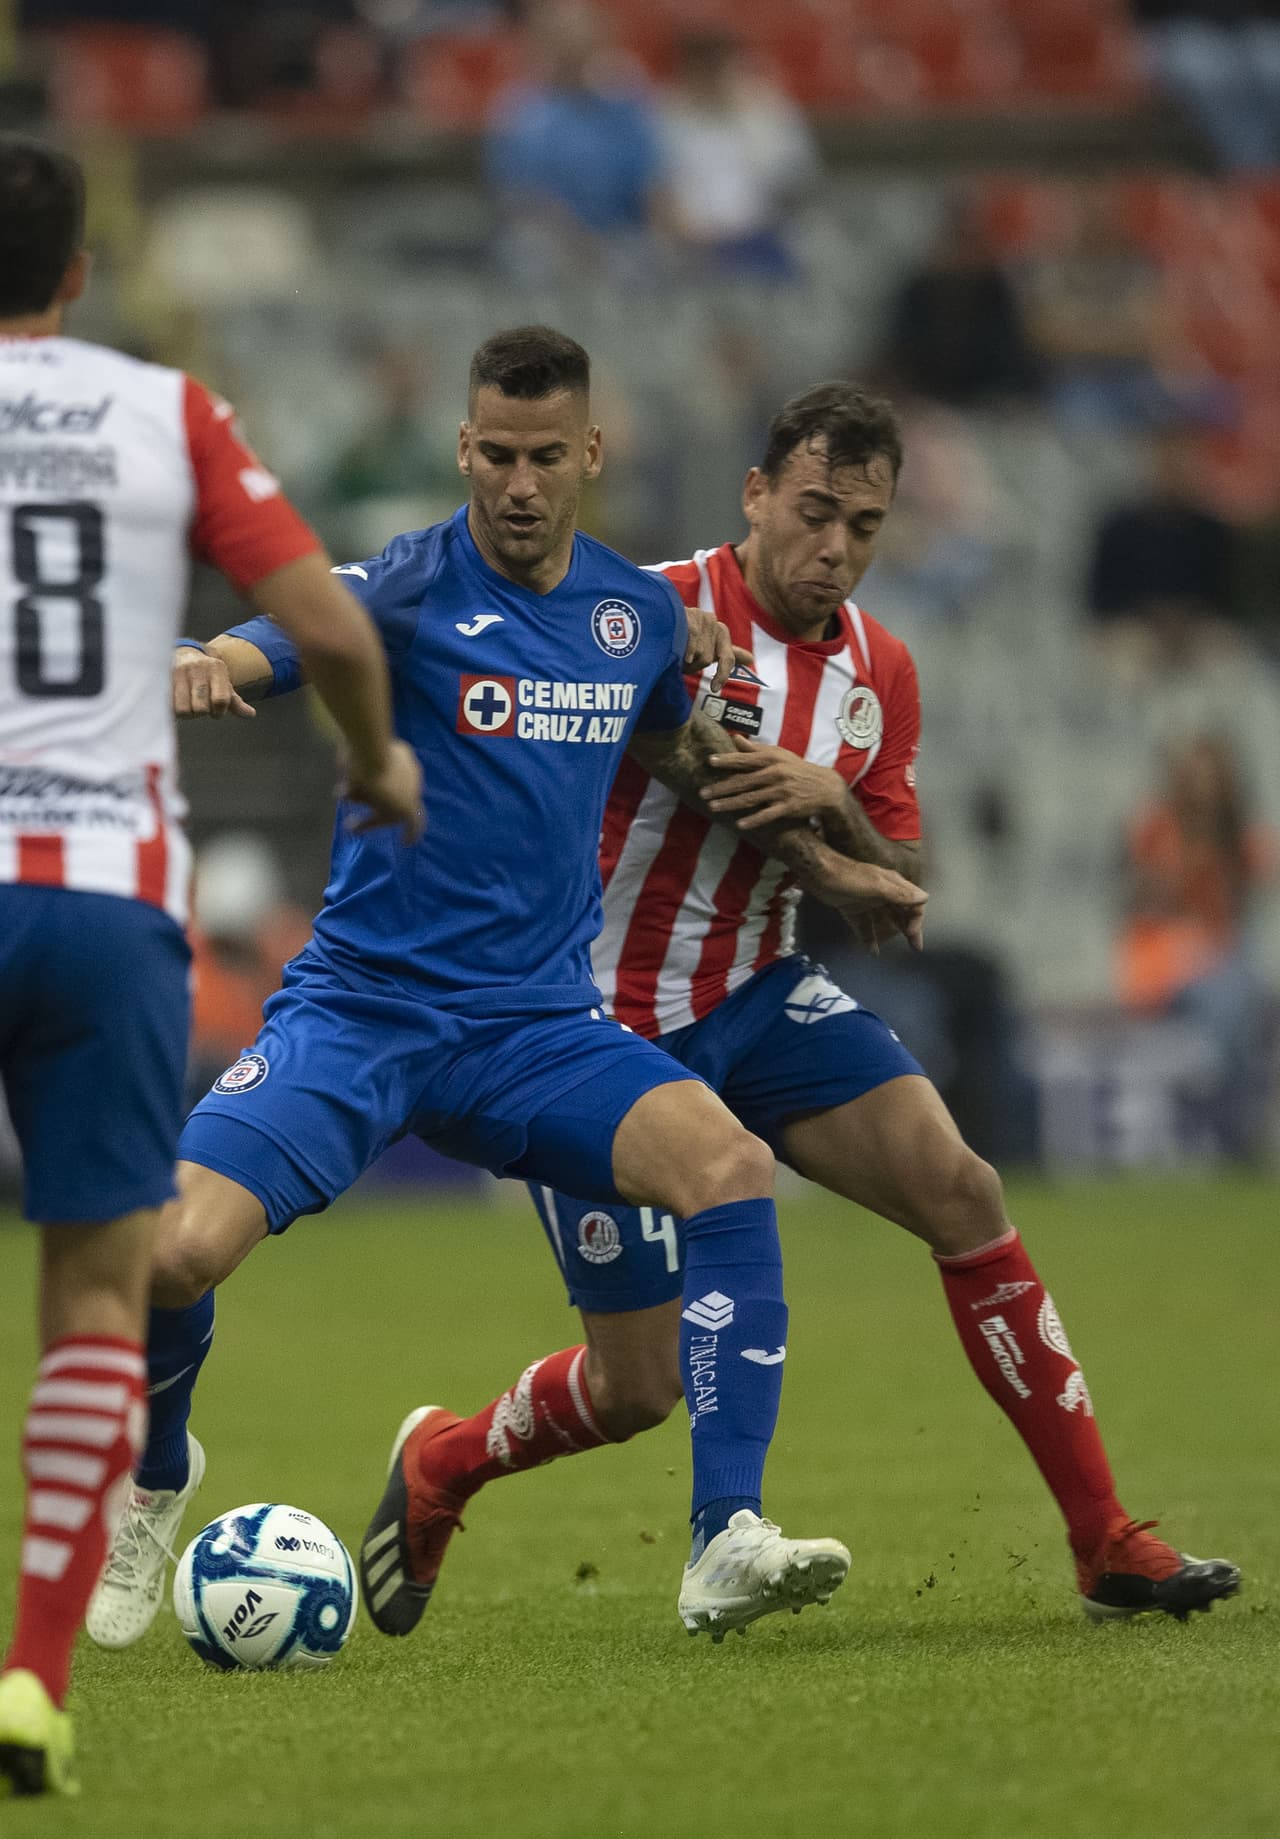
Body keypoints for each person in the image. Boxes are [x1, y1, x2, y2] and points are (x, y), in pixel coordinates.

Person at [87, 326, 928, 1657]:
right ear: (463, 450)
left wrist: (833, 864)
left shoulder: (632, 617)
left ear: (588, 453)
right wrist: (212, 662)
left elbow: (687, 757)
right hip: (363, 1013)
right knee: (172, 1252)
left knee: (728, 1167)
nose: (519, 483)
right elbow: (285, 631)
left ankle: (725, 1536)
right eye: (496, 455)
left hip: (538, 1029)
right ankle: (155, 1471)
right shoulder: (412, 583)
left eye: (544, 456)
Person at [360, 381, 1239, 1627]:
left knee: (963, 1192)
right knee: (634, 1385)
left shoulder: (879, 670)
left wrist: (836, 814)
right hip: (591, 1020)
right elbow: (629, 751)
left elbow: (902, 876)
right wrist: (812, 841)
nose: (834, 547)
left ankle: (1099, 1538)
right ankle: (444, 1461)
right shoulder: (638, 608)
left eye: (863, 526)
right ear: (755, 493)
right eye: (814, 511)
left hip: (757, 992)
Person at [0, 135, 422, 1799]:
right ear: (79, 270)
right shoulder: (163, 411)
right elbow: (327, 622)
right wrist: (376, 757)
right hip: (106, 901)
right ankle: (31, 1680)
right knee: (98, 1294)